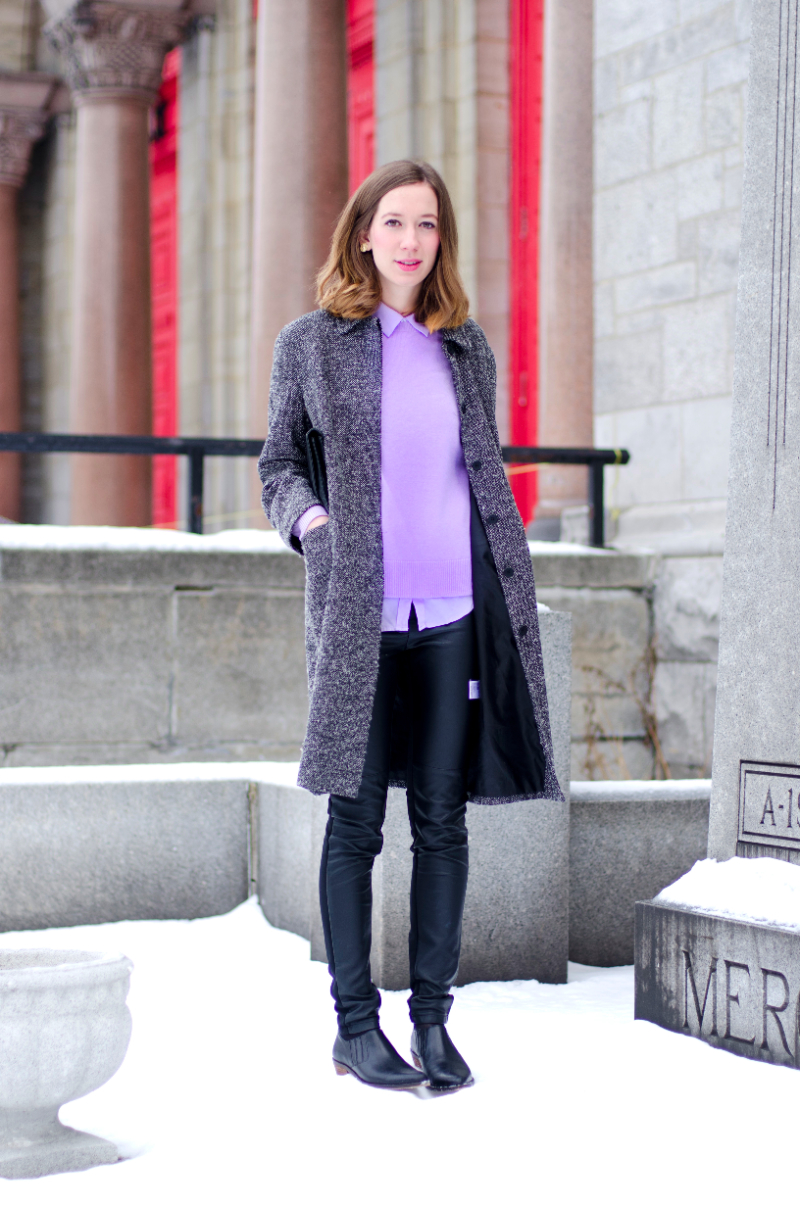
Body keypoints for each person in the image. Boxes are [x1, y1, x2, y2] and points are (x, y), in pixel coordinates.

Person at [258, 160, 563, 1093]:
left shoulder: (464, 345)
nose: (410, 239)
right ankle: (356, 1027)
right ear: (362, 233)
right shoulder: (311, 342)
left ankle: (433, 1021)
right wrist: (311, 525)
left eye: (427, 224)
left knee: (442, 822)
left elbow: (475, 473)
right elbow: (278, 464)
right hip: (359, 614)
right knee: (354, 824)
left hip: (455, 616)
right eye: (394, 221)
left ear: (441, 240)